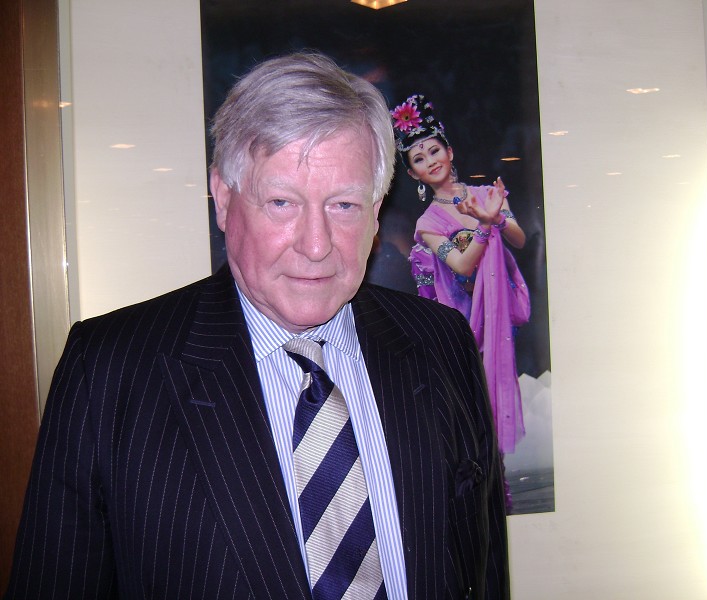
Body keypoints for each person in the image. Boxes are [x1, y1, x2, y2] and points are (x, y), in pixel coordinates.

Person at [5, 54, 508, 599]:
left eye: (343, 205)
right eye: (281, 202)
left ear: (376, 208)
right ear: (224, 199)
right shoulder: (108, 371)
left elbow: (481, 571)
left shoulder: (441, 342)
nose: (315, 245)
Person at [391, 94, 530, 460]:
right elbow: (463, 266)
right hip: (464, 322)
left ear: (449, 151)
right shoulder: (428, 224)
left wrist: (497, 218)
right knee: (473, 404)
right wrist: (484, 226)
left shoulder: (487, 194)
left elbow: (519, 239)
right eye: (419, 159)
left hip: (497, 312)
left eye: (434, 151)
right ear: (413, 174)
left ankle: (499, 474)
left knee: (497, 392)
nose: (430, 161)